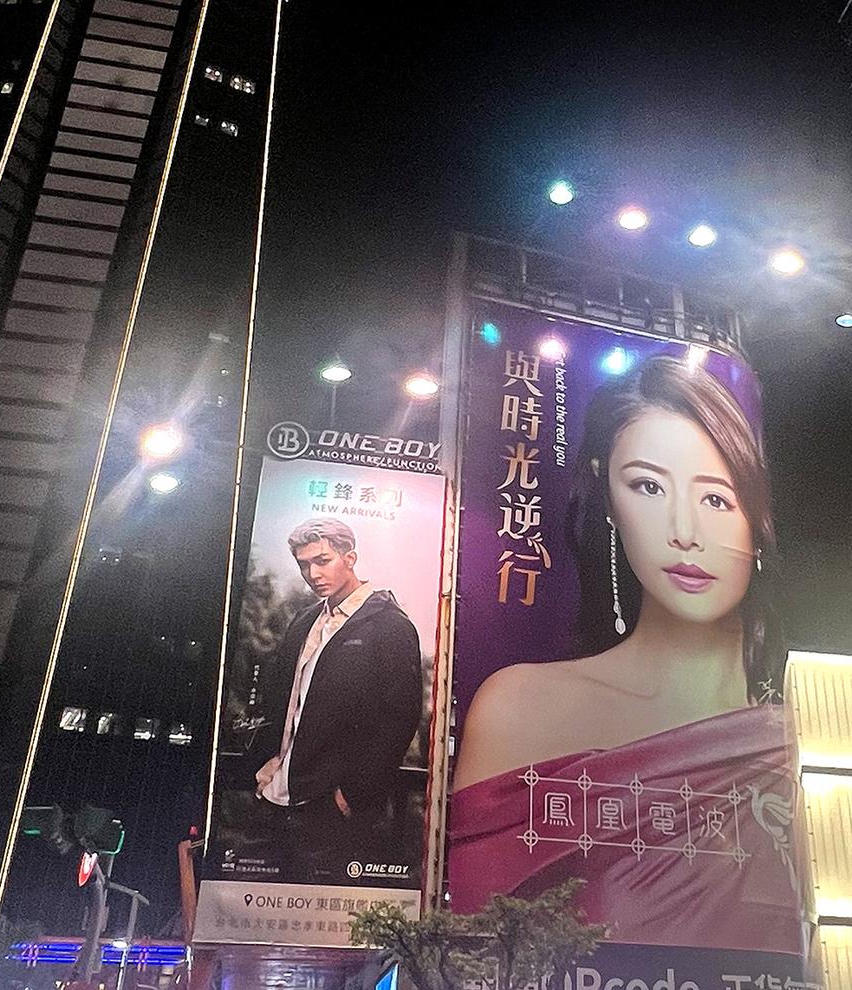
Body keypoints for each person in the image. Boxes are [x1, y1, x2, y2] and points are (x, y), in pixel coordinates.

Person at [448, 355, 799, 959]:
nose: (684, 529)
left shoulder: (805, 727)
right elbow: (470, 946)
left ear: (756, 517)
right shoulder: (523, 710)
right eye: (648, 487)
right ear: (608, 498)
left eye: (717, 499)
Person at [242, 517, 426, 860]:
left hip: (333, 808)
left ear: (350, 558)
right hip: (277, 797)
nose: (313, 574)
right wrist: (270, 759)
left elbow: (399, 720)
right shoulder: (306, 620)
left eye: (322, 561)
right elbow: (283, 700)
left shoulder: (390, 625)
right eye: (304, 565)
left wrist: (351, 796)